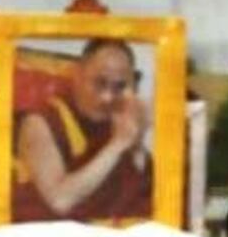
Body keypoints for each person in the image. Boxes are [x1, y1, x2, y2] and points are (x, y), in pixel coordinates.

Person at [13, 38, 151, 223]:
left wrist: (137, 146)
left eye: (119, 87)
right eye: (99, 83)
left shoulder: (121, 122)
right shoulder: (41, 122)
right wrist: (117, 145)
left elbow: (139, 198)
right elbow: (60, 200)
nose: (107, 97)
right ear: (77, 74)